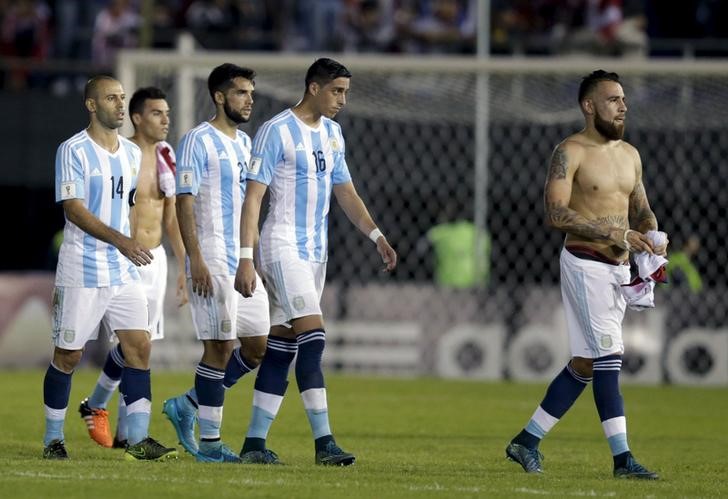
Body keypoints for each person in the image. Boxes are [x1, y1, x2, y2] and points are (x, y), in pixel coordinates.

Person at [235, 57, 397, 465]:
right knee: (315, 337)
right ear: (313, 87)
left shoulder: (334, 134)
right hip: (282, 244)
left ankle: (254, 443)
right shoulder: (276, 131)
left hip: (315, 253)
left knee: (282, 347)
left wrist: (376, 235)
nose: (342, 99)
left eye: (345, 92)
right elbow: (253, 196)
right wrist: (246, 257)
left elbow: (347, 193)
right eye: (337, 91)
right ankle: (324, 442)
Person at [505, 70, 666, 479]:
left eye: (624, 98)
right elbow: (556, 212)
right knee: (610, 356)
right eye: (613, 99)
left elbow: (641, 207)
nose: (623, 105)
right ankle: (622, 459)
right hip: (585, 263)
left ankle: (527, 440)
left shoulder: (631, 154)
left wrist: (651, 232)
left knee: (585, 364)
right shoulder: (570, 150)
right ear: (589, 105)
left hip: (620, 268)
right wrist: (617, 232)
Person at [43, 75, 177, 461]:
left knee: (139, 347)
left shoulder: (132, 154)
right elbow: (74, 208)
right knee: (67, 356)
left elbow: (130, 208)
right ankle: (53, 439)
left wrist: (133, 245)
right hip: (82, 267)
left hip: (122, 270)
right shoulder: (73, 150)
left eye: (122, 97)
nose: (120, 104)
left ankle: (137, 439)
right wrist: (122, 241)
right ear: (91, 105)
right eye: (112, 98)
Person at [162, 63, 270, 463]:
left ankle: (188, 403)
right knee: (220, 347)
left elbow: (250, 207)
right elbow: (184, 201)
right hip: (209, 257)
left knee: (258, 348)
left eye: (251, 93)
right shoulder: (197, 140)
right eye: (242, 92)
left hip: (241, 262)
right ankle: (210, 444)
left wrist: (253, 258)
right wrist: (195, 259)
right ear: (220, 96)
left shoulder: (246, 144)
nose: (249, 100)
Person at [78, 86, 187, 449]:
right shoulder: (120, 154)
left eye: (167, 113)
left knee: (140, 346)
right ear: (137, 117)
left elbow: (169, 214)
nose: (165, 120)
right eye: (157, 113)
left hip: (155, 258)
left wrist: (183, 262)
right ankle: (108, 416)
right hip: (123, 257)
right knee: (130, 343)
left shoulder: (168, 155)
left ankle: (114, 423)